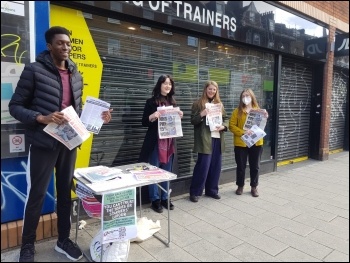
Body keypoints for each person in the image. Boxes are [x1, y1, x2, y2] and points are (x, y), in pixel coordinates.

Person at [9, 26, 112, 262]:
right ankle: (27, 246)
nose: (65, 47)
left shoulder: (76, 74)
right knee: (36, 195)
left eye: (68, 43)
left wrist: (100, 118)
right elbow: (14, 106)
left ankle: (63, 240)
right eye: (60, 43)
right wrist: (41, 118)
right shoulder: (34, 70)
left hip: (69, 144)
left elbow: (78, 113)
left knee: (65, 194)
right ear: (49, 46)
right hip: (44, 143)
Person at [138, 74, 183, 213]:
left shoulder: (173, 103)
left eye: (169, 84)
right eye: (165, 83)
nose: (167, 86)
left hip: (169, 142)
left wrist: (179, 116)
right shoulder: (151, 102)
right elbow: (144, 121)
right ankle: (155, 199)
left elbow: (174, 124)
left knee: (166, 171)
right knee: (153, 171)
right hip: (155, 142)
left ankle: (165, 198)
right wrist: (152, 116)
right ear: (159, 85)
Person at [189, 80, 228, 203]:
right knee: (203, 166)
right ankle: (195, 192)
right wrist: (202, 114)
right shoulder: (198, 104)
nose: (212, 91)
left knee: (216, 166)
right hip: (205, 139)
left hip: (217, 138)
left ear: (216, 91)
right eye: (210, 89)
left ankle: (212, 190)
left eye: (214, 89)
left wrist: (224, 126)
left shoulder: (219, 104)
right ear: (205, 89)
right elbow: (193, 121)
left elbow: (226, 119)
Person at [229, 88, 268, 197]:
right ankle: (240, 186)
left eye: (248, 96)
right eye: (244, 96)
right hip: (241, 143)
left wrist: (266, 117)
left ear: (252, 97)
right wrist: (243, 132)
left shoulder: (259, 111)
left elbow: (262, 126)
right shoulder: (237, 111)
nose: (246, 98)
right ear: (241, 98)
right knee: (241, 166)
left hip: (256, 142)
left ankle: (254, 187)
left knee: (255, 166)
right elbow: (231, 126)